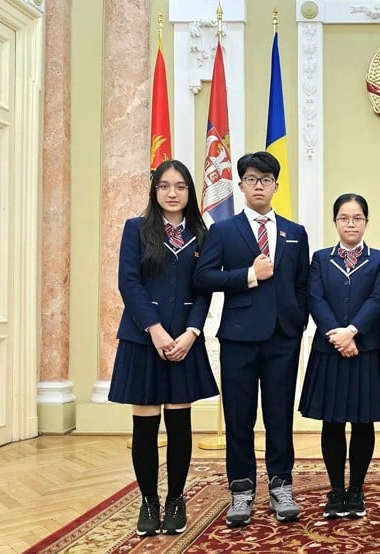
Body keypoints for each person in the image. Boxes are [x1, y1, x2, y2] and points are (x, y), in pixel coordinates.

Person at [193, 151, 310, 528]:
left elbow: (303, 284)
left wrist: (297, 322)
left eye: (266, 180)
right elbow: (204, 277)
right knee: (239, 417)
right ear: (241, 185)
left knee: (279, 416)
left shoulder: (295, 232)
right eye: (251, 179)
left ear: (276, 186)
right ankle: (241, 489)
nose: (259, 186)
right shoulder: (224, 231)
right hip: (239, 338)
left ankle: (281, 485)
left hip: (283, 339)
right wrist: (248, 275)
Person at [108, 159, 219, 537]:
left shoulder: (204, 234)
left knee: (179, 423)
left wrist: (191, 332)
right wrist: (154, 329)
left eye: (180, 186)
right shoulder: (136, 229)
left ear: (190, 192)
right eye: (165, 186)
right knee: (145, 425)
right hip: (144, 339)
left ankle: (175, 500)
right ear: (154, 191)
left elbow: (205, 288)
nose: (172, 193)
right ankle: (149, 501)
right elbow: (129, 282)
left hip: (184, 341)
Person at [298, 193, 380, 519]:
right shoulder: (321, 259)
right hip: (330, 348)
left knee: (364, 423)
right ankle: (336, 490)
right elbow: (315, 298)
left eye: (357, 218)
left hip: (365, 349)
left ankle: (356, 491)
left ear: (366, 221)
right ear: (335, 221)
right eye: (344, 218)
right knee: (332, 422)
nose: (351, 224)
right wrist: (338, 335)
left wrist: (352, 331)